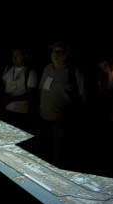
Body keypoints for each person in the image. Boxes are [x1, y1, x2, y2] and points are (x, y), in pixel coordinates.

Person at [34, 40, 86, 168]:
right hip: (43, 116)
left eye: (60, 51)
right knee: (38, 149)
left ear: (67, 53)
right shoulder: (47, 68)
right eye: (54, 50)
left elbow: (83, 95)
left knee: (59, 153)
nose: (56, 54)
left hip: (61, 119)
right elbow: (42, 89)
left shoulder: (74, 71)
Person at [0, 47, 38, 132]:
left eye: (18, 55)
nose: (14, 58)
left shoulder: (30, 72)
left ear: (25, 57)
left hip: (21, 112)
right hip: (6, 110)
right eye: (13, 56)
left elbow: (30, 94)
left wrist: (11, 99)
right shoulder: (8, 69)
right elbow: (3, 85)